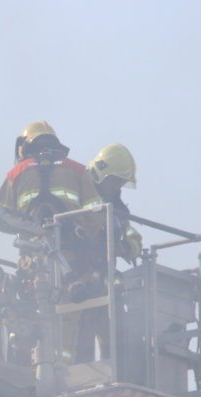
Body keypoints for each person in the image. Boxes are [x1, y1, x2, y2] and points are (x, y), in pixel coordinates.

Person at [0, 121, 103, 364]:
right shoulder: (78, 170)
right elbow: (98, 216)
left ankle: (34, 369)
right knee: (67, 321)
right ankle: (59, 371)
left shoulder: (16, 173)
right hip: (73, 263)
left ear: (24, 147)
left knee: (29, 317)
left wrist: (20, 228)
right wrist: (83, 237)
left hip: (31, 265)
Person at [75, 143, 143, 365]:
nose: (117, 188)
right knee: (80, 345)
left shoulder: (117, 208)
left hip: (108, 291)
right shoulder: (78, 195)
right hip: (82, 287)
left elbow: (135, 240)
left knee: (117, 344)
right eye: (115, 181)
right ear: (102, 173)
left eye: (121, 183)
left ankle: (118, 379)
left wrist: (123, 247)